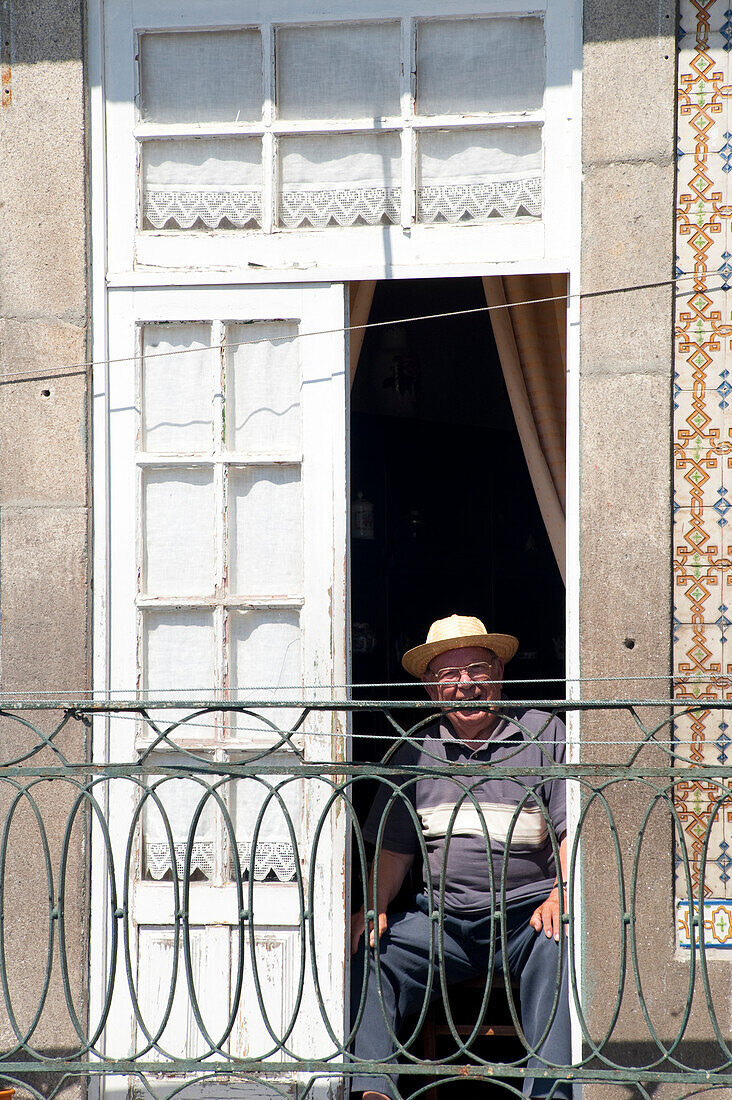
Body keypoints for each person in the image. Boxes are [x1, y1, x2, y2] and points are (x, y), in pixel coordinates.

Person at [350, 614, 571, 1100]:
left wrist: (562, 894)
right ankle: (373, 1090)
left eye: (477, 670)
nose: (465, 686)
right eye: (448, 676)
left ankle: (550, 1094)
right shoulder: (413, 751)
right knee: (372, 951)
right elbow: (395, 850)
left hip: (524, 916)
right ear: (431, 689)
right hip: (441, 919)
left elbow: (567, 832)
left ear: (499, 676)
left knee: (559, 949)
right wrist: (377, 906)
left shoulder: (543, 733)